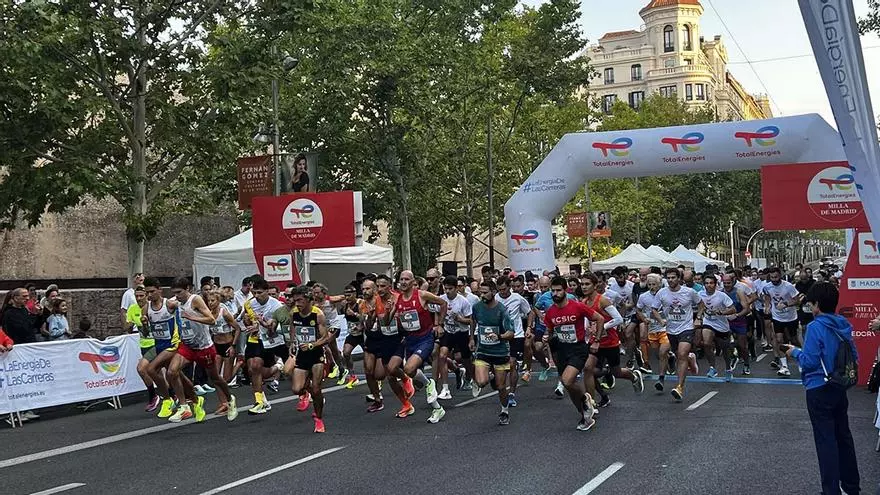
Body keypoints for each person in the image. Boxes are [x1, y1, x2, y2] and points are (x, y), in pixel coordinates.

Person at [785, 282, 860, 495]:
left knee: (825, 441)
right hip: (839, 386)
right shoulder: (843, 324)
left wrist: (794, 352)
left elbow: (809, 362)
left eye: (811, 303)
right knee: (843, 437)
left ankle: (831, 490)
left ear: (816, 304)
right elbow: (855, 356)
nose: (810, 307)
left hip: (819, 387)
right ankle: (851, 487)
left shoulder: (815, 327)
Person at [166, 278, 238, 422]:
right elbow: (169, 304)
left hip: (204, 347)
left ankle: (230, 400)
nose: (177, 296)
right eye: (175, 293)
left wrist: (191, 317)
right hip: (187, 345)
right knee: (172, 372)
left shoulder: (195, 300)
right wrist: (171, 305)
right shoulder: (177, 301)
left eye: (179, 292)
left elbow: (211, 320)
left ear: (188, 289)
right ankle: (184, 407)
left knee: (215, 378)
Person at [542, 276, 604, 431]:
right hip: (562, 349)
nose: (555, 294)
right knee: (567, 385)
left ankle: (585, 398)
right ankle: (585, 415)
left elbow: (599, 318)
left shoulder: (577, 306)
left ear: (565, 290)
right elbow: (549, 330)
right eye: (553, 291)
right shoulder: (550, 312)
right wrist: (546, 336)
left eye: (558, 290)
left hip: (578, 348)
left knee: (567, 380)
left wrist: (596, 341)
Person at [391, 270, 448, 424]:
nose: (403, 282)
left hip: (425, 338)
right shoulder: (398, 299)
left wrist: (439, 324)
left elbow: (443, 303)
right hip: (410, 339)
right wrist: (393, 315)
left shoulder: (422, 295)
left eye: (406, 279)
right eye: (401, 279)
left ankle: (430, 383)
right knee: (414, 377)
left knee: (409, 368)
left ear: (412, 282)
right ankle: (437, 409)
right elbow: (392, 320)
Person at [580, 272, 642, 410]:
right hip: (594, 342)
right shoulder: (583, 302)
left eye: (587, 284)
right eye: (582, 284)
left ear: (595, 286)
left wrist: (603, 327)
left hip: (610, 342)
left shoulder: (602, 301)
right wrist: (587, 331)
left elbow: (618, 319)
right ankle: (594, 402)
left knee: (617, 372)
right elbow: (586, 320)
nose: (584, 287)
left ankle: (633, 376)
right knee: (588, 369)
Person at [469, 280, 515, 425]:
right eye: (480, 292)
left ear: (494, 292)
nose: (482, 295)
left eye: (485, 292)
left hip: (500, 352)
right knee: (481, 382)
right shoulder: (476, 307)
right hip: (483, 350)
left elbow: (511, 333)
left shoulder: (502, 310)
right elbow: (472, 321)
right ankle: (488, 376)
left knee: (501, 387)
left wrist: (499, 336)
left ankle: (504, 411)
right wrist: (472, 338)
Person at [652, 268, 701, 402]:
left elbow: (701, 304)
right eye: (668, 278)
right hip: (671, 329)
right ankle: (691, 358)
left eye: (673, 277)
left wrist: (698, 318)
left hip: (686, 327)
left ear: (679, 278)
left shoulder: (689, 292)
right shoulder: (662, 293)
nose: (670, 280)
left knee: (682, 354)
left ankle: (679, 387)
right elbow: (654, 309)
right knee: (678, 355)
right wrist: (660, 320)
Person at [287, 286, 331, 433]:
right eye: (295, 301)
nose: (297, 303)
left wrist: (312, 345)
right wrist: (292, 344)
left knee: (317, 388)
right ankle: (309, 393)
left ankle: (318, 418)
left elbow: (325, 338)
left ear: (308, 299)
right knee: (296, 389)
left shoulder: (318, 314)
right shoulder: (294, 313)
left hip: (316, 354)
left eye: (300, 300)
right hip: (302, 354)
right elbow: (293, 329)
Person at [243, 278, 286, 414]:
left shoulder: (276, 306)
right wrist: (247, 322)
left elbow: (273, 328)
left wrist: (263, 325)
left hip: (269, 339)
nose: (256, 296)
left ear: (267, 291)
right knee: (252, 369)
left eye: (260, 292)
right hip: (254, 338)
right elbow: (248, 320)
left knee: (257, 368)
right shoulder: (249, 304)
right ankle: (260, 401)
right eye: (254, 292)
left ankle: (277, 367)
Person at [143, 277, 180, 418]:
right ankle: (193, 399)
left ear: (159, 290)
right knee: (176, 376)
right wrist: (145, 324)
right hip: (159, 345)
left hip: (172, 344)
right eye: (147, 292)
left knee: (151, 369)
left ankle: (166, 400)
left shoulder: (169, 304)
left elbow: (184, 312)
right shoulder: (146, 308)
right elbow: (146, 333)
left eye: (152, 291)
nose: (149, 295)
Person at [495, 276, 534, 408]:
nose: (502, 292)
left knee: (512, 363)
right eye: (500, 290)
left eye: (504, 289)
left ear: (509, 287)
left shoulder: (517, 298)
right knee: (500, 365)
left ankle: (511, 393)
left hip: (516, 335)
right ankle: (500, 385)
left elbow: (530, 313)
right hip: (501, 335)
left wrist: (528, 327)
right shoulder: (495, 299)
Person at [437, 276, 473, 400]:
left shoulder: (463, 302)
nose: (447, 291)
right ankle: (445, 388)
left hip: (461, 332)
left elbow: (471, 321)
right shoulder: (441, 299)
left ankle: (468, 377)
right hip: (448, 331)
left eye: (450, 289)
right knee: (442, 355)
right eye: (445, 288)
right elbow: (437, 312)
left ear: (456, 288)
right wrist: (439, 325)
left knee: (465, 359)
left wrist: (460, 319)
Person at [205, 291, 241, 414]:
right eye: (208, 301)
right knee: (215, 377)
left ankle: (239, 364)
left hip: (227, 345)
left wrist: (233, 346)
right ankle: (224, 403)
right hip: (216, 346)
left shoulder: (224, 313)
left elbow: (237, 329)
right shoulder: (208, 314)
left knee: (227, 379)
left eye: (213, 300)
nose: (210, 303)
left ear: (218, 301)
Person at [696, 274, 736, 381]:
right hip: (708, 322)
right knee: (706, 343)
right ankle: (712, 368)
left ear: (715, 284)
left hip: (721, 325)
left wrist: (722, 312)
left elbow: (733, 309)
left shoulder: (721, 296)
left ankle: (728, 369)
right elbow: (696, 305)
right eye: (706, 283)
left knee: (725, 350)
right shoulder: (700, 294)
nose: (709, 285)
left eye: (711, 283)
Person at [762, 266, 801, 377]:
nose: (774, 279)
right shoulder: (767, 287)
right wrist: (767, 306)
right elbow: (767, 297)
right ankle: (784, 366)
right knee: (779, 339)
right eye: (772, 277)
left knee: (794, 340)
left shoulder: (788, 286)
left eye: (776, 277)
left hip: (791, 317)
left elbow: (797, 300)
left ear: (780, 276)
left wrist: (786, 304)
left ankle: (801, 361)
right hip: (777, 317)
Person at [637, 274, 671, 390]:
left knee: (662, 352)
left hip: (665, 328)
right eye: (649, 284)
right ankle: (670, 358)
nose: (652, 287)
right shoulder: (643, 296)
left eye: (654, 284)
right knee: (657, 353)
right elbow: (638, 310)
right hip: (652, 329)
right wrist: (644, 319)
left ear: (659, 284)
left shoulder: (666, 294)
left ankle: (661, 378)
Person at [340, 283, 364, 388]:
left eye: (349, 295)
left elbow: (366, 318)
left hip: (363, 334)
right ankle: (352, 376)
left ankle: (376, 378)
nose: (347, 297)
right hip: (353, 334)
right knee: (346, 353)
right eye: (345, 295)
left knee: (369, 357)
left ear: (355, 294)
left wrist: (354, 314)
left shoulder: (361, 303)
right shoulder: (345, 305)